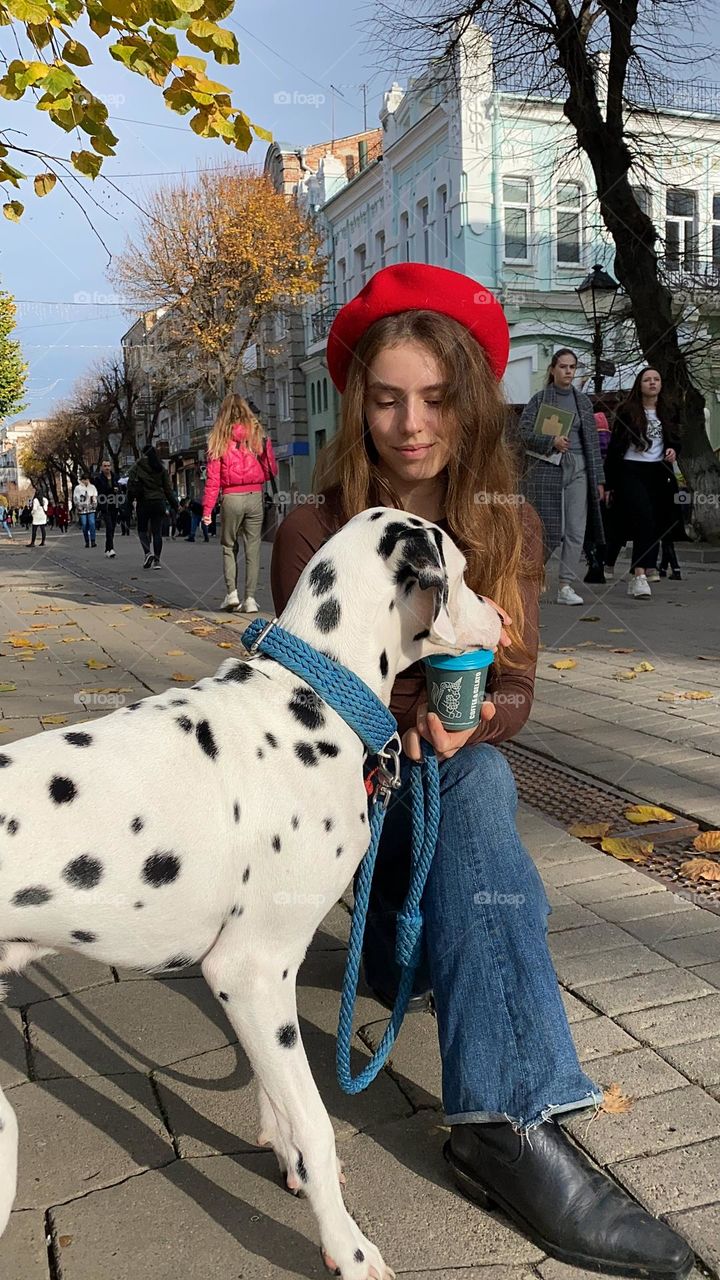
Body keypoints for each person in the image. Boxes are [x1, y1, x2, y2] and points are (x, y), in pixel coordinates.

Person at [271, 263, 692, 1280]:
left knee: (478, 777)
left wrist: (476, 719)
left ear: (470, 400)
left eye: (436, 397)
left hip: (445, 837)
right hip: (363, 845)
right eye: (386, 399)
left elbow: (518, 692)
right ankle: (504, 1121)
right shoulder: (316, 533)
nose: (411, 424)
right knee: (478, 793)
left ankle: (502, 1108)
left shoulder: (509, 523)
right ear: (359, 406)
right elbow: (302, 712)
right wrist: (403, 724)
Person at [518, 348, 605, 605]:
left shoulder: (583, 401)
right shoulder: (540, 399)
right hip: (548, 468)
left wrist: (599, 479)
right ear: (553, 370)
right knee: (550, 530)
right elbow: (522, 433)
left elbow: (592, 442)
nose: (568, 371)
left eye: (572, 367)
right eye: (563, 366)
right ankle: (530, 576)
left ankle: (566, 585)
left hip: (580, 468)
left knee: (577, 529)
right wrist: (551, 441)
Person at [605, 368, 680, 599]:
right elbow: (615, 446)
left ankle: (640, 571)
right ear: (640, 385)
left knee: (654, 522)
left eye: (656, 379)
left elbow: (676, 438)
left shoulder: (668, 410)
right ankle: (639, 576)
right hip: (631, 470)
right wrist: (608, 483)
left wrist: (673, 450)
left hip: (658, 471)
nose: (652, 383)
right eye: (647, 380)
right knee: (643, 517)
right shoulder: (628, 411)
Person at [201, 393, 278, 612]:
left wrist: (207, 510)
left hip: (231, 497)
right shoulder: (257, 435)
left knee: (229, 545)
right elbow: (271, 471)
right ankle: (250, 599)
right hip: (255, 495)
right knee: (253, 548)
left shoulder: (217, 438)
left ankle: (232, 594)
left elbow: (213, 479)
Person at [126, 444, 179, 570]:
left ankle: (147, 553)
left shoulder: (137, 467)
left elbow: (130, 486)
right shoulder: (161, 468)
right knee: (157, 532)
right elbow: (168, 490)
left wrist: (128, 503)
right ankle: (157, 561)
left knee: (142, 530)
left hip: (143, 502)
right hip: (158, 502)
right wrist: (175, 505)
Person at [95, 460, 121, 559]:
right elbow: (101, 491)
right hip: (105, 506)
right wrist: (112, 489)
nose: (107, 468)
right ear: (102, 467)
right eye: (105, 466)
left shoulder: (115, 477)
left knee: (112, 527)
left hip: (114, 504)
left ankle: (107, 549)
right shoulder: (98, 479)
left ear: (111, 467)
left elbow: (120, 488)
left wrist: (117, 489)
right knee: (109, 526)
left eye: (108, 466)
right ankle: (111, 548)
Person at [73, 473, 98, 548]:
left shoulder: (92, 487)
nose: (86, 481)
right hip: (82, 509)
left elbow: (95, 496)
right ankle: (87, 541)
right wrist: (78, 506)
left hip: (91, 508)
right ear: (82, 480)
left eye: (87, 479)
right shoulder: (78, 488)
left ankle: (93, 541)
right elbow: (75, 498)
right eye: (85, 480)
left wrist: (94, 504)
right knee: (84, 525)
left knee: (92, 523)